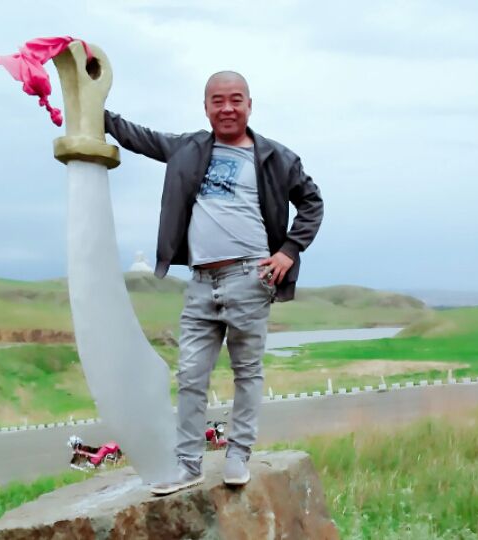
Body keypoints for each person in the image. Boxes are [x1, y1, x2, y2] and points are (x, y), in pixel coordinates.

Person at [104, 71, 323, 495]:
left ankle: (238, 455)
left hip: (250, 277)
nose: (227, 108)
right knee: (190, 374)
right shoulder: (188, 148)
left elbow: (312, 202)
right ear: (205, 107)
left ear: (249, 105)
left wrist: (289, 250)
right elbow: (139, 137)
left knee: (247, 371)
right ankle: (188, 465)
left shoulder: (277, 158)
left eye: (235, 99)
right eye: (217, 100)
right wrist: (95, 109)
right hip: (201, 281)